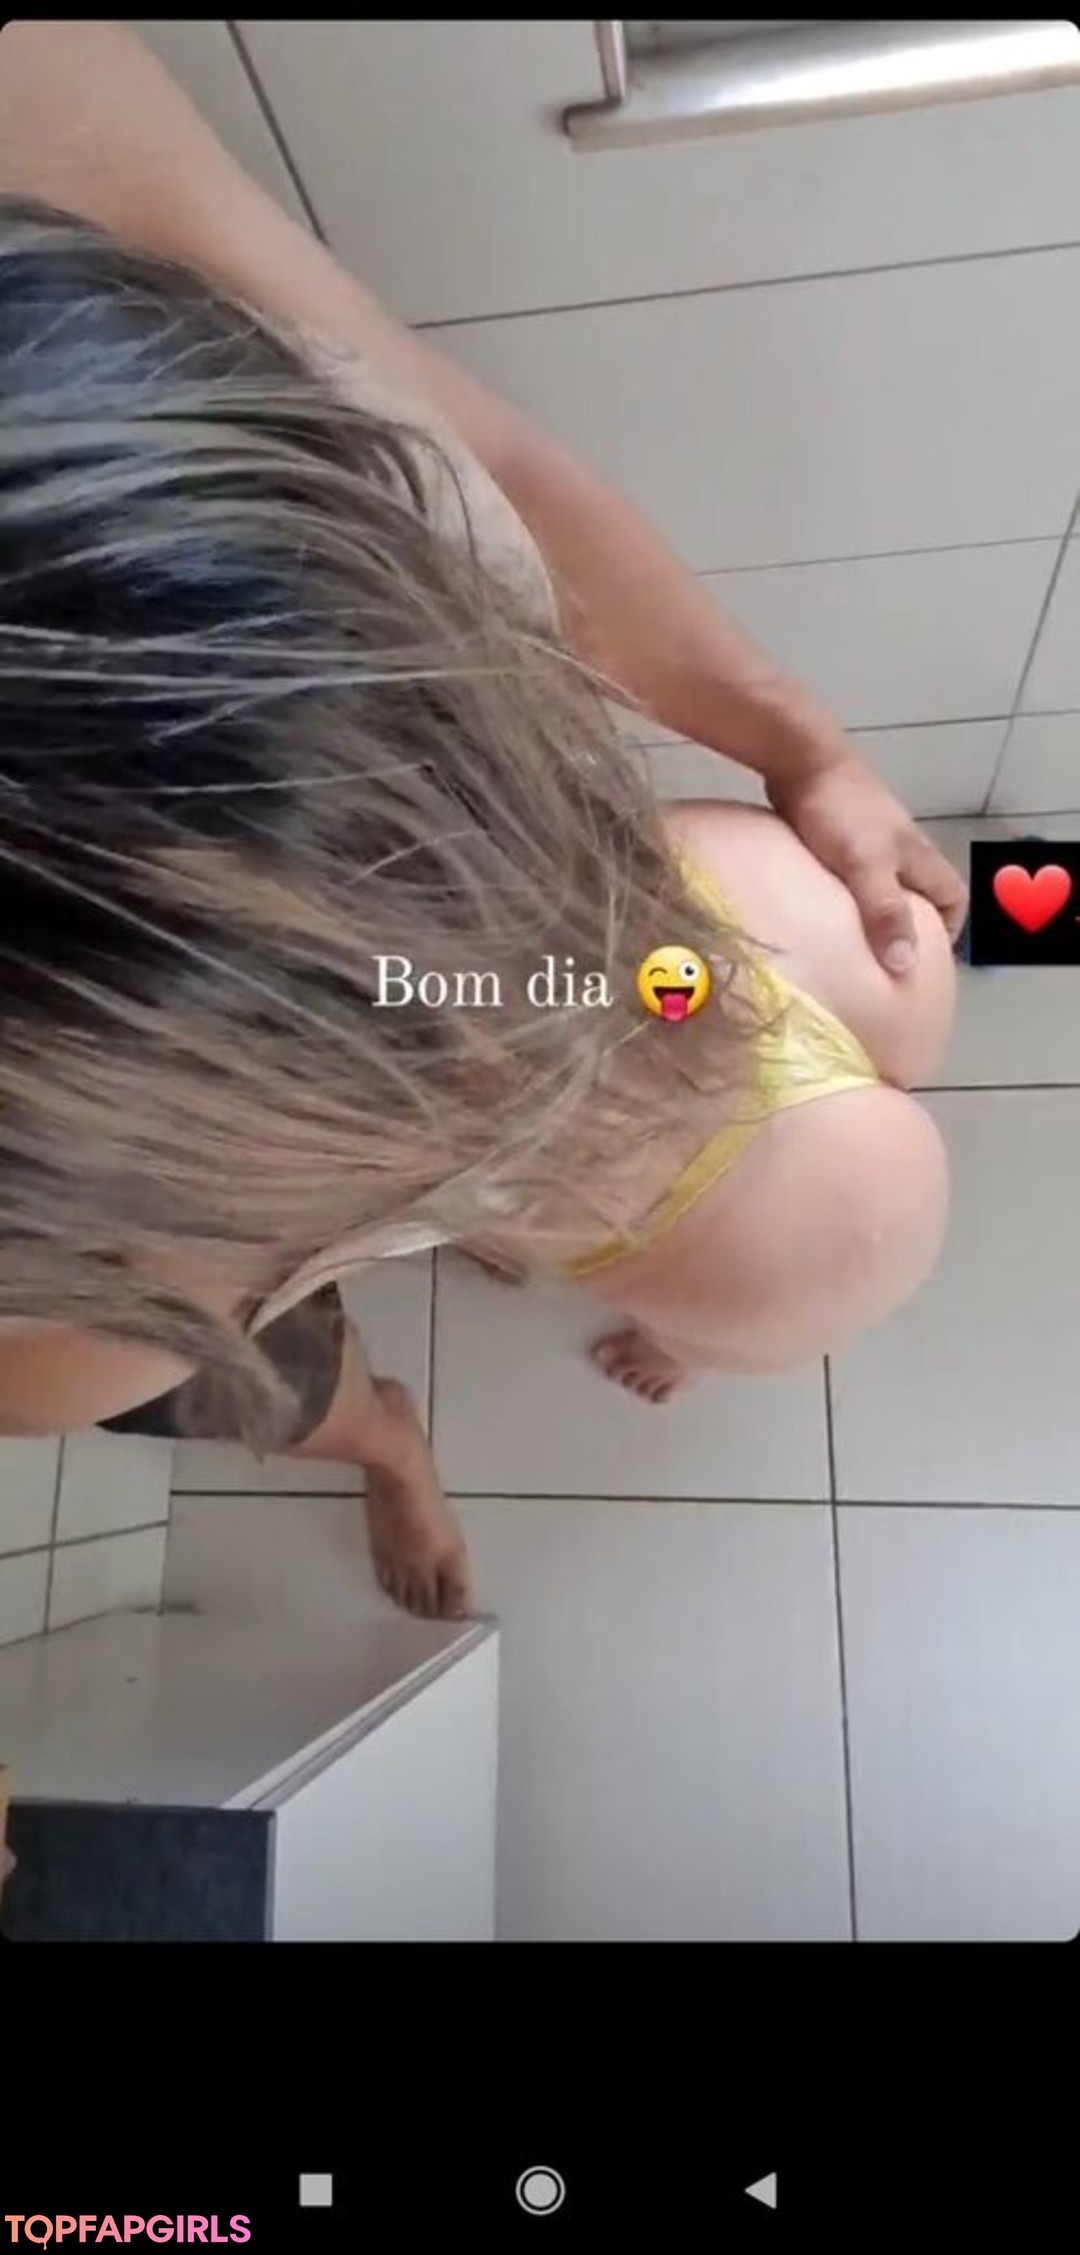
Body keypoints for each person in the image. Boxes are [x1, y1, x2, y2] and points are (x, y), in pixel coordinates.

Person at [0, 23, 964, 1621]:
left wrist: (799, 740)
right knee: (882, 1030)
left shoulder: (83, 1333)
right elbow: (478, 466)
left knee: (720, 1295)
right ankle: (633, 1313)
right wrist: (795, 747)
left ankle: (548, 1368)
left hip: (638, 1126)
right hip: (715, 948)